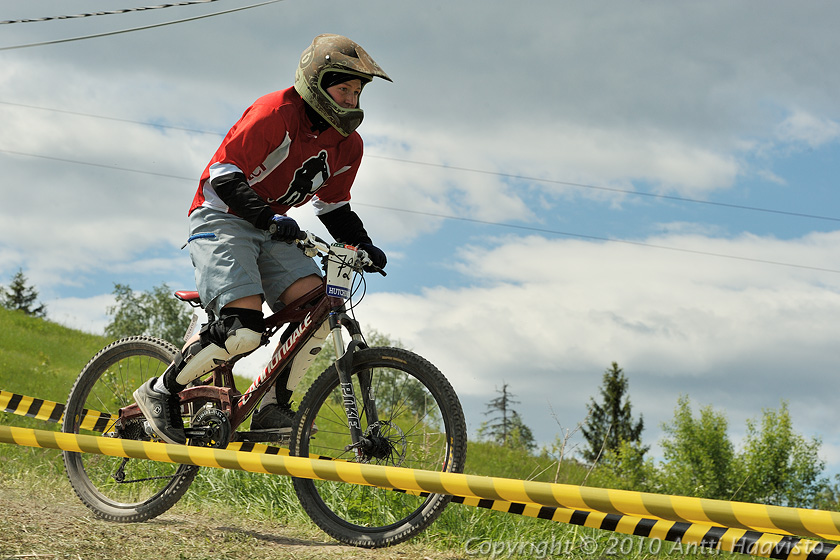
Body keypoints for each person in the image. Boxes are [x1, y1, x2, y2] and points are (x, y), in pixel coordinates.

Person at [133, 34, 391, 445]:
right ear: (317, 83)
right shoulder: (276, 112)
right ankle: (160, 390)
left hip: (272, 227)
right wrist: (268, 216)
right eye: (343, 89)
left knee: (318, 310)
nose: (350, 99)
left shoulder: (349, 145)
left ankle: (272, 405)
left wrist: (364, 245)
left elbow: (334, 207)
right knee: (243, 332)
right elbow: (223, 173)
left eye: (357, 92)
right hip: (222, 216)